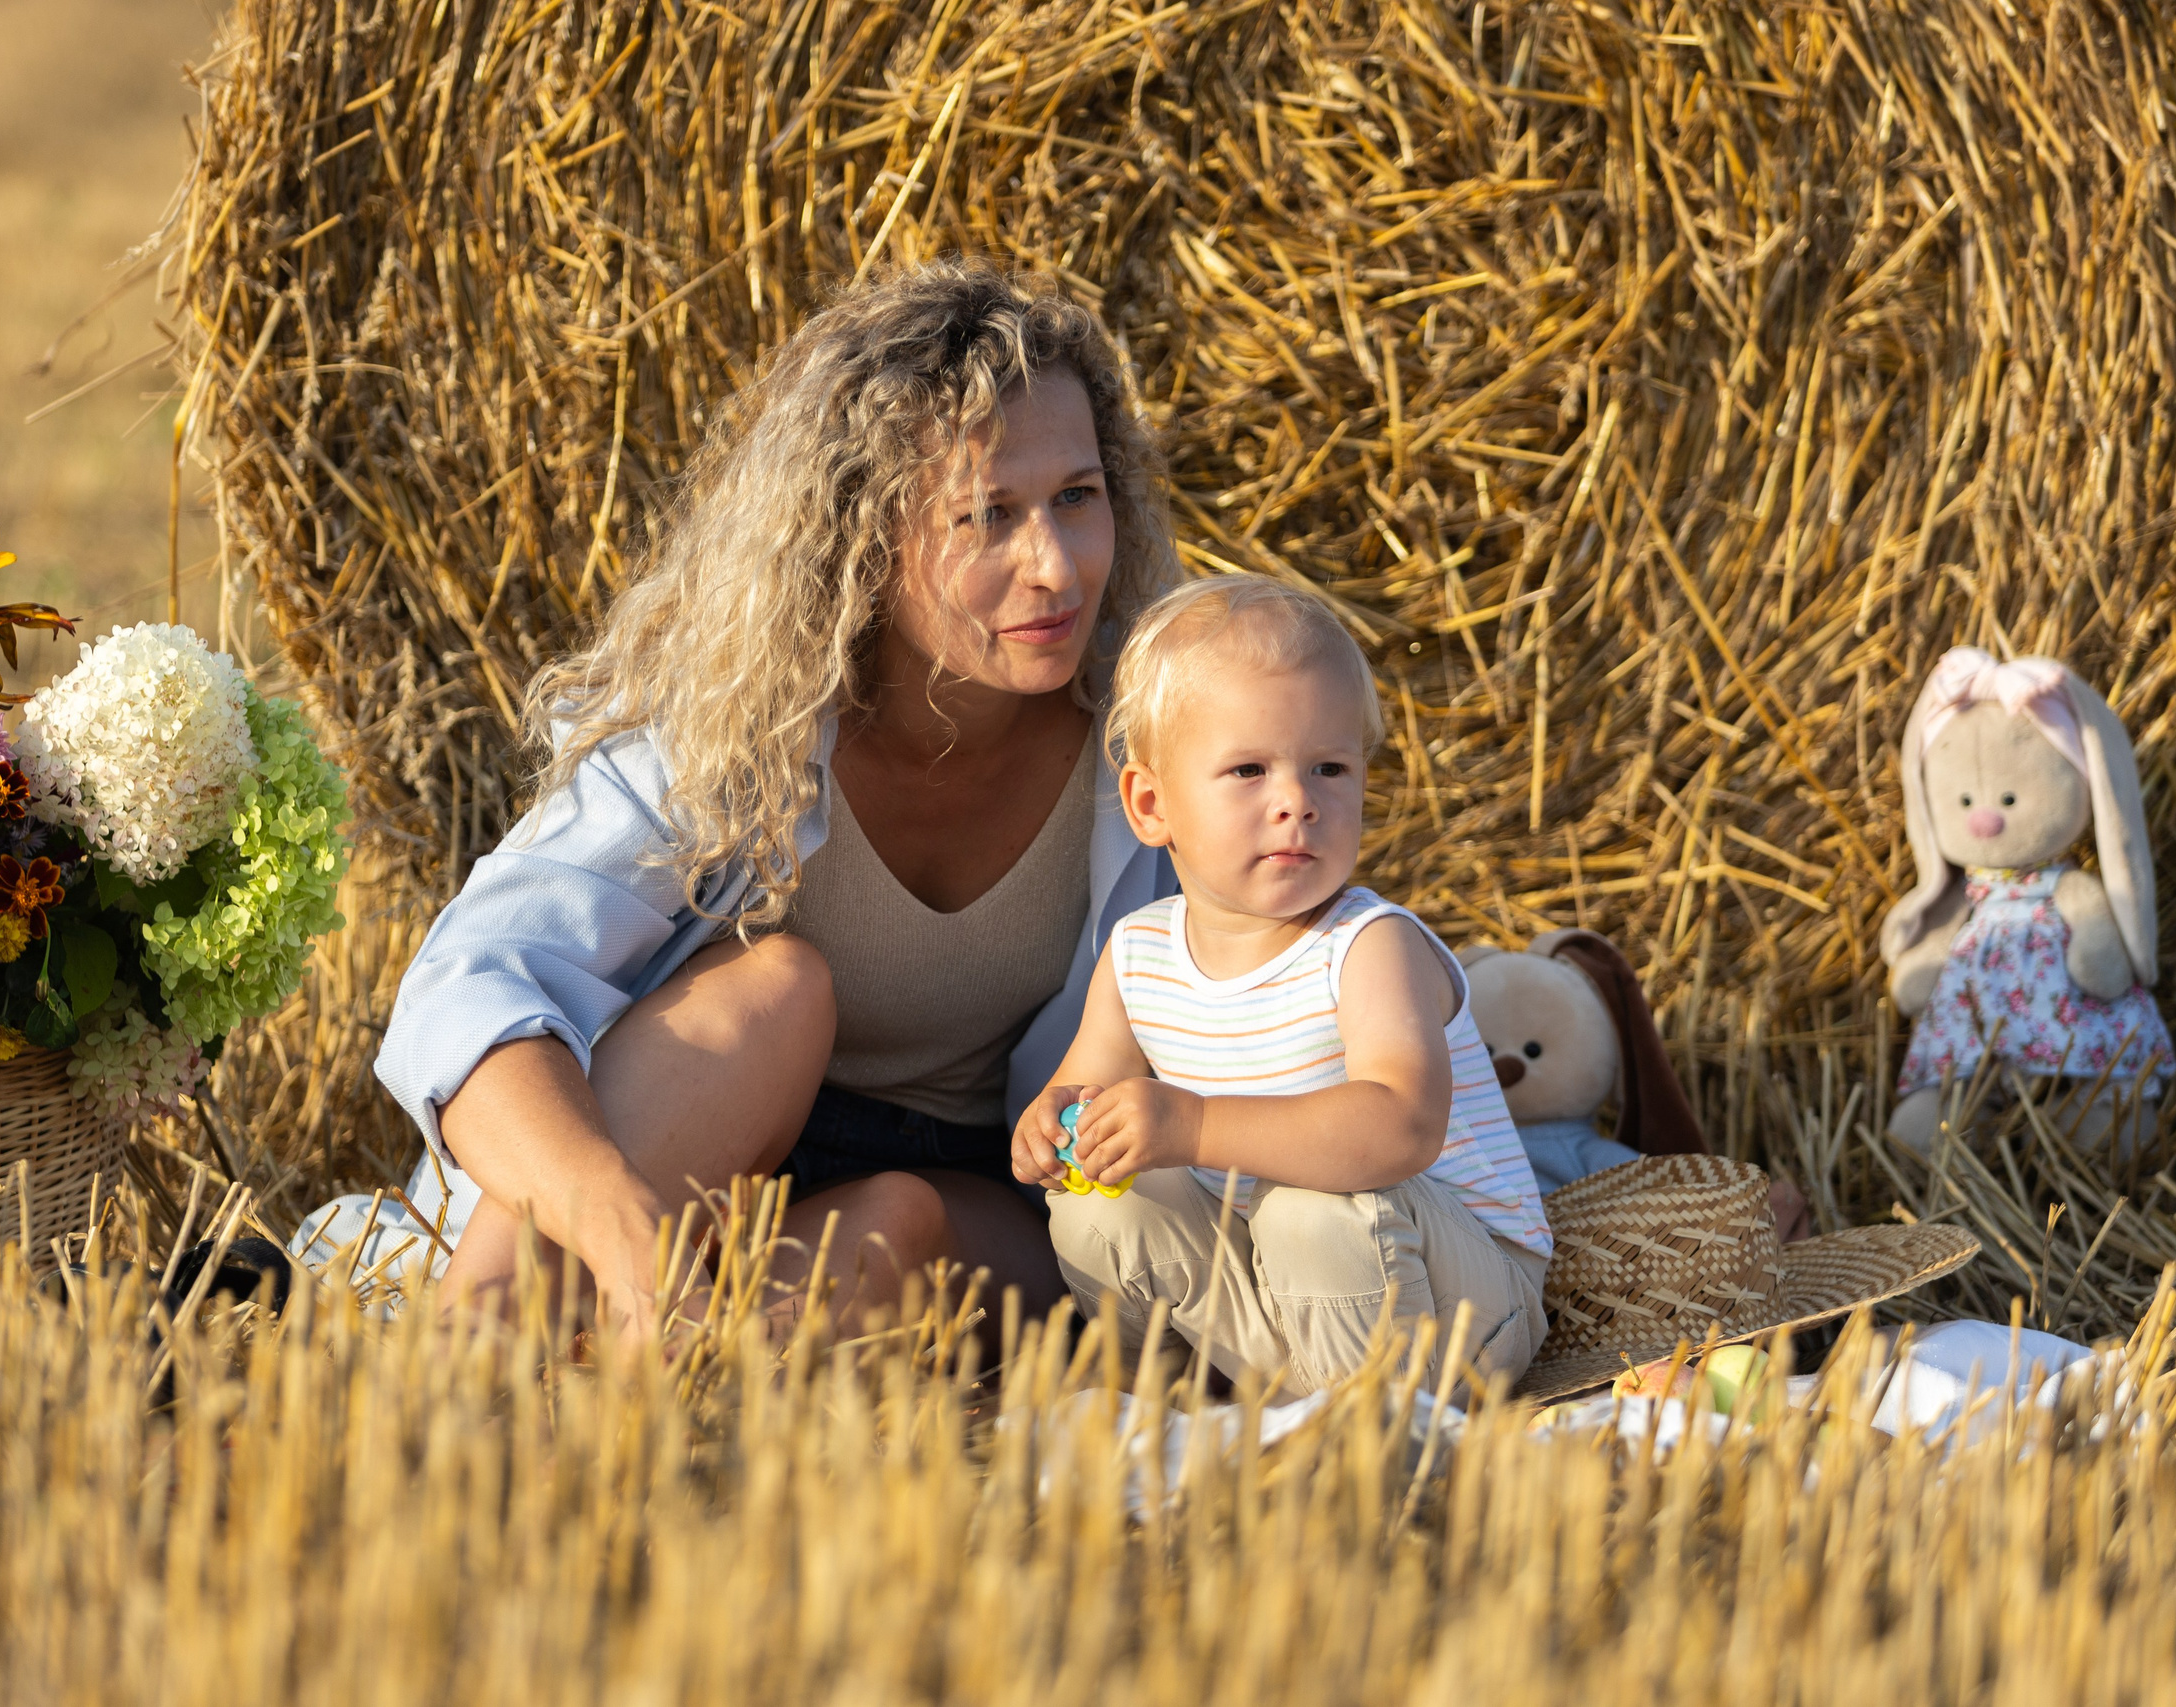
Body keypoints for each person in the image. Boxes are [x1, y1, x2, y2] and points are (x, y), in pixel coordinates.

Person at [366, 262, 1180, 1325]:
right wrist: (617, 1220)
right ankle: (467, 1357)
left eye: (1076, 498)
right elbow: (471, 987)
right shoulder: (732, 726)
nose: (1056, 569)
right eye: (986, 515)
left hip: (968, 1194)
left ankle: (642, 1384)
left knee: (904, 1220)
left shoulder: (1159, 733)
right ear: (862, 536)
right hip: (689, 1151)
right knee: (774, 989)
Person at [1014, 577, 1551, 1393]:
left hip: (1460, 1299)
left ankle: (1374, 1437)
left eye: (1329, 767)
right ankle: (1174, 1402)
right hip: (1283, 1286)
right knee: (1101, 1204)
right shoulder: (1138, 954)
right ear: (1151, 804)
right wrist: (1054, 1128)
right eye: (1249, 770)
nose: (1297, 801)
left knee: (1314, 1205)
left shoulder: (1369, 946)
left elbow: (1400, 1127)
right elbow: (1084, 1090)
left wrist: (1192, 1124)